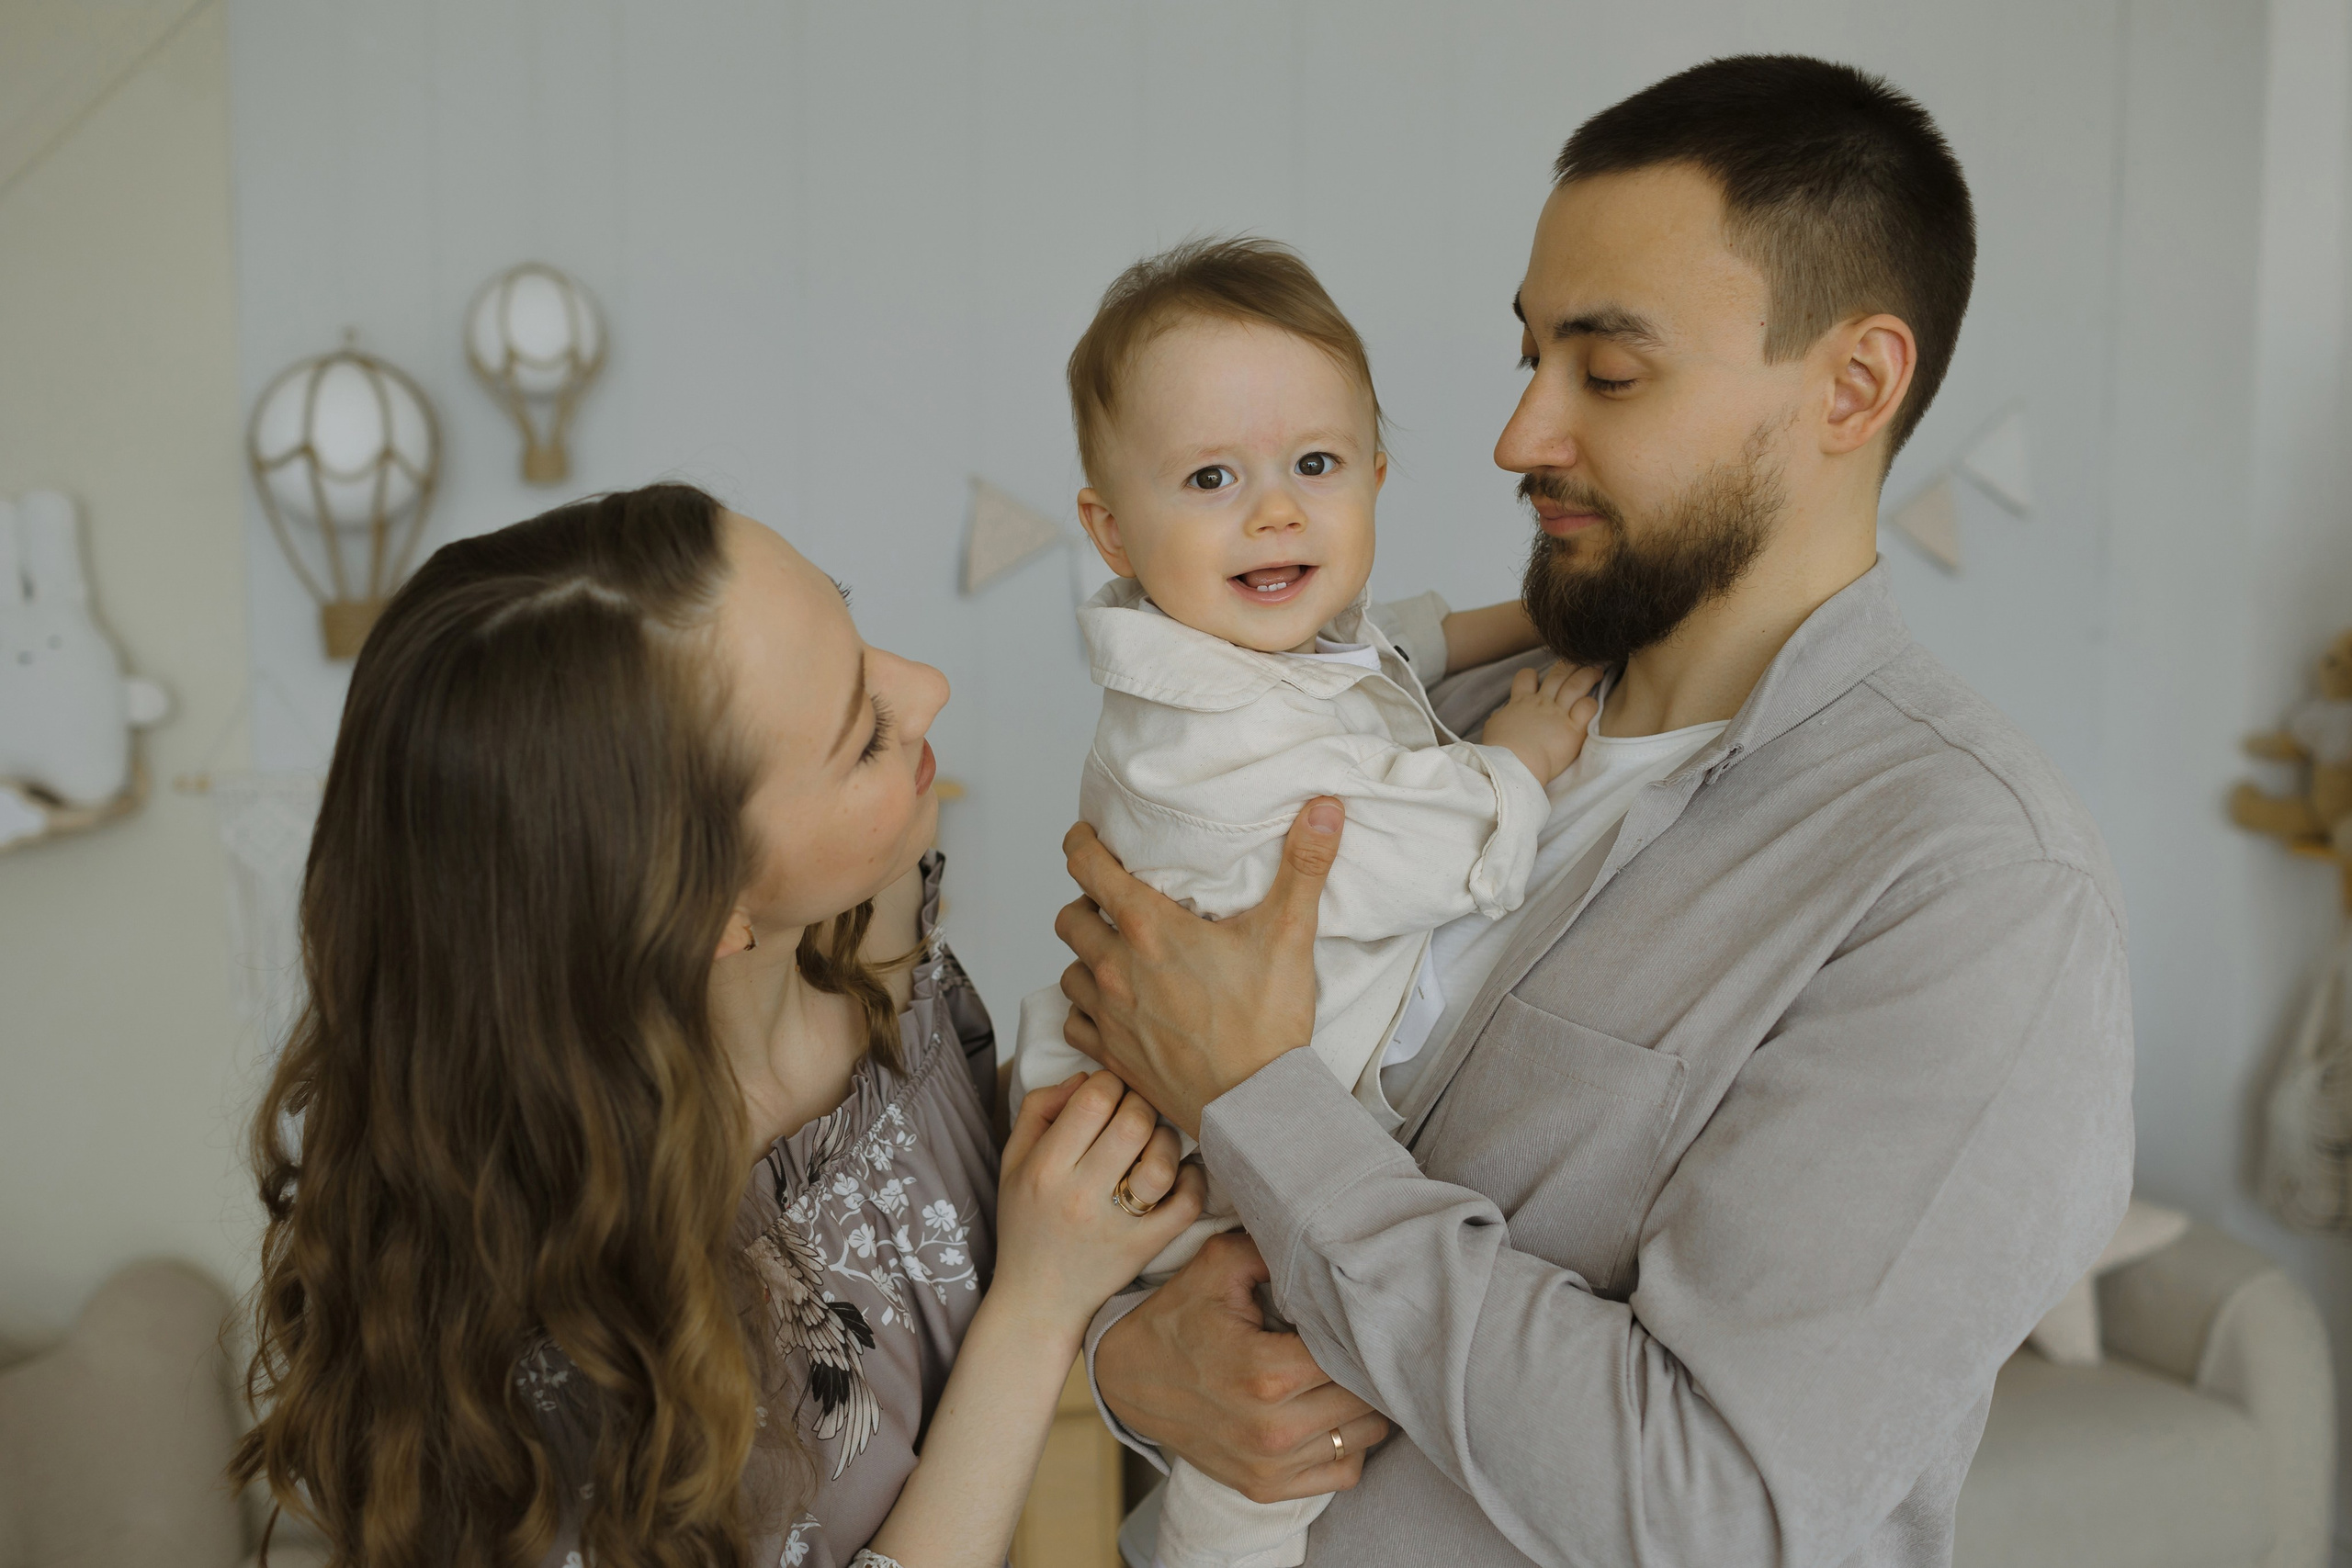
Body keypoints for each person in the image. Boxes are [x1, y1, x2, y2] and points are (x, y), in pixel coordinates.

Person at [1057, 55, 2136, 1567]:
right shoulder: (1423, 729)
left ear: (1854, 385)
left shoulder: (1964, 886)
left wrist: (1263, 1104)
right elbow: (1141, 1180)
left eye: (1607, 373)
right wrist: (1129, 1361)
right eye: (1531, 358)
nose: (1517, 436)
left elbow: (1728, 1517)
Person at [232, 483, 1205, 1568]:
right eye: (859, 735)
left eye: (849, 621)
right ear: (705, 912)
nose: (926, 688)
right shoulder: (579, 1354)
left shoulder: (867, 931)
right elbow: (1018, 1294)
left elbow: (968, 1224)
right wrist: (1039, 1313)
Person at [1008, 237, 1600, 1568]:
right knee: (1263, 1425)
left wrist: (1531, 621)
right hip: (1192, 1167)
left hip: (1241, 1097)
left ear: (1376, 475)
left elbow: (1395, 643)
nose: (1274, 512)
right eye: (1212, 478)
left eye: (1314, 467)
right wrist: (1529, 757)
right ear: (1111, 524)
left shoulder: (1267, 637)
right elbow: (1405, 853)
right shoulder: (1200, 749)